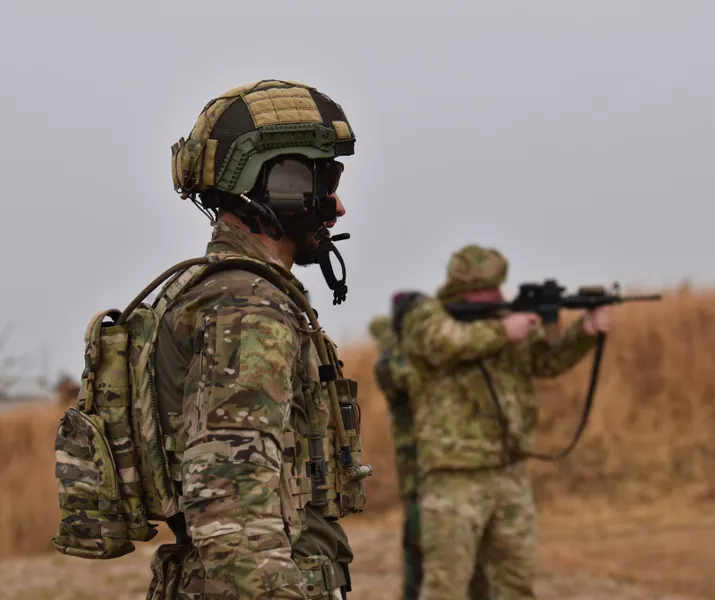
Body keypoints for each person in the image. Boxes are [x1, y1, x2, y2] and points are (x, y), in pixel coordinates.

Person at [147, 79, 371, 599]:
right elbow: (232, 507)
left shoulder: (211, 290)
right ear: (280, 184)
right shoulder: (247, 307)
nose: (337, 207)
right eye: (326, 182)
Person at [397, 244, 612, 600]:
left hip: (509, 472)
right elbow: (441, 343)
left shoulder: (506, 319)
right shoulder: (427, 316)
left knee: (516, 585)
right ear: (463, 288)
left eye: (499, 285)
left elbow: (545, 362)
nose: (498, 294)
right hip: (454, 475)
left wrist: (585, 332)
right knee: (446, 587)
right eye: (488, 287)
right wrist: (502, 332)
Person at [369, 307, 490, 600]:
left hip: (444, 471)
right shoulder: (394, 365)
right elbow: (404, 373)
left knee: (467, 557)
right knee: (421, 553)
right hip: (419, 476)